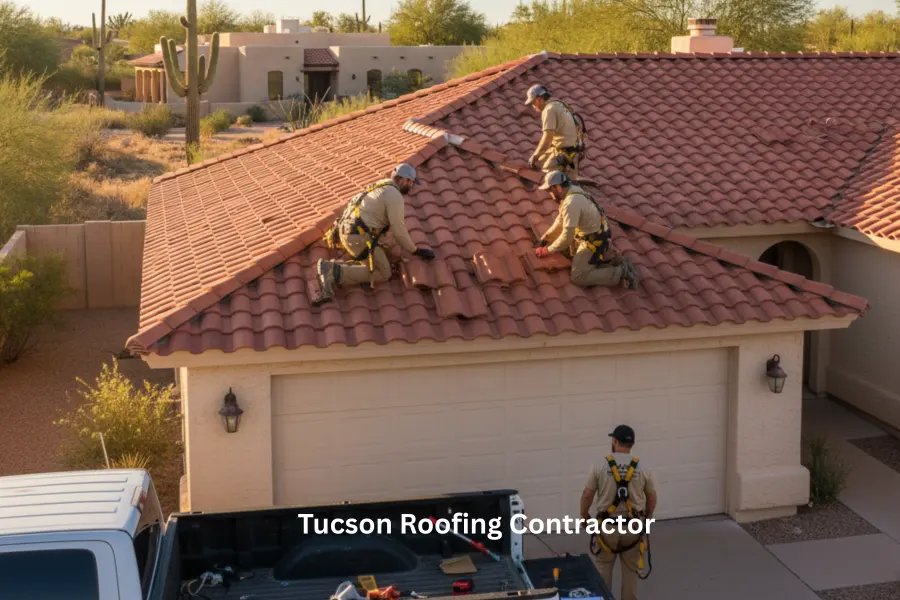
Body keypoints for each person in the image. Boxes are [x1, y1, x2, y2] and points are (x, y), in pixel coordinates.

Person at [314, 163, 435, 306]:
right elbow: (399, 230)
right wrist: (415, 250)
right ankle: (333, 271)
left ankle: (346, 265)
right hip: (358, 238)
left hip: (348, 232)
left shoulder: (380, 185)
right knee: (384, 273)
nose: (411, 186)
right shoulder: (395, 196)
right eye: (410, 182)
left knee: (380, 256)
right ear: (403, 180)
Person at [580, 425, 658, 600]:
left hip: (606, 529)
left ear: (614, 441)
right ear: (632, 444)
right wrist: (648, 516)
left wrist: (585, 517)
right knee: (631, 572)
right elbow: (652, 497)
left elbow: (587, 494)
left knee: (603, 570)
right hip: (633, 529)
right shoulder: (643, 466)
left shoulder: (599, 464)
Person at [534, 170, 640, 289]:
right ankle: (609, 260)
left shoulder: (571, 202)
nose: (549, 194)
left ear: (558, 187)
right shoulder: (571, 191)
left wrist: (548, 250)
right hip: (593, 232)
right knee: (563, 250)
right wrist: (545, 238)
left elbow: (567, 236)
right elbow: (560, 221)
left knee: (578, 276)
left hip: (594, 241)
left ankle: (622, 272)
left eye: (550, 190)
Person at [524, 84, 583, 180]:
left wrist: (535, 155)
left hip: (566, 153)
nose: (533, 106)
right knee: (541, 160)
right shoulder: (559, 104)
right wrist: (540, 156)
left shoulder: (549, 110)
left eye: (533, 103)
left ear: (539, 99)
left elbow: (547, 138)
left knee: (546, 176)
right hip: (572, 150)